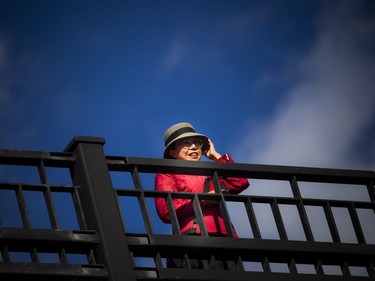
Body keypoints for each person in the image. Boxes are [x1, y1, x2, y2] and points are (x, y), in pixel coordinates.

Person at [154, 122, 249, 239]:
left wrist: (216, 156)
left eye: (197, 143)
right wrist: (202, 200)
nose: (193, 147)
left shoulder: (211, 175)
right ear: (173, 152)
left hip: (226, 238)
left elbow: (240, 182)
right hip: (193, 239)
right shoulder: (167, 174)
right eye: (186, 143)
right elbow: (166, 211)